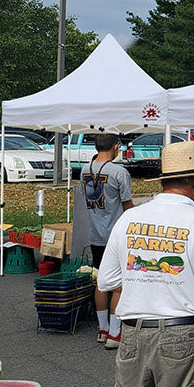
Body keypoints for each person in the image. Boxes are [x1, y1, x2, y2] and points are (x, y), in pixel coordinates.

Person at [99, 141, 194, 387]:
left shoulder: (130, 218)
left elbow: (107, 281)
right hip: (183, 333)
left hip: (133, 334)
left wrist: (145, 281)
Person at [79, 134, 135, 348]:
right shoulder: (119, 172)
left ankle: (102, 329)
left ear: (95, 146)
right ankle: (115, 333)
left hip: (95, 234)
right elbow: (127, 204)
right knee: (119, 285)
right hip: (116, 234)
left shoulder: (85, 169)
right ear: (115, 147)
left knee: (101, 282)